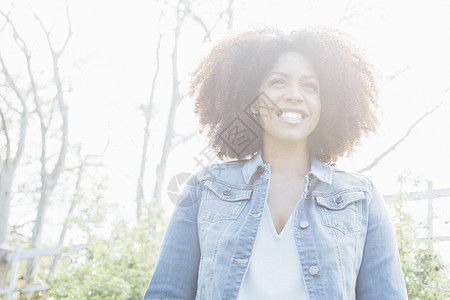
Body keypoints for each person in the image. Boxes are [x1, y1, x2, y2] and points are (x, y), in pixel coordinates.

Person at [143, 27, 408, 299]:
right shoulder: (205, 188)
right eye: (278, 82)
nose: (294, 94)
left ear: (325, 104)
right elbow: (166, 293)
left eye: (309, 86)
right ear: (253, 101)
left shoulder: (361, 198)